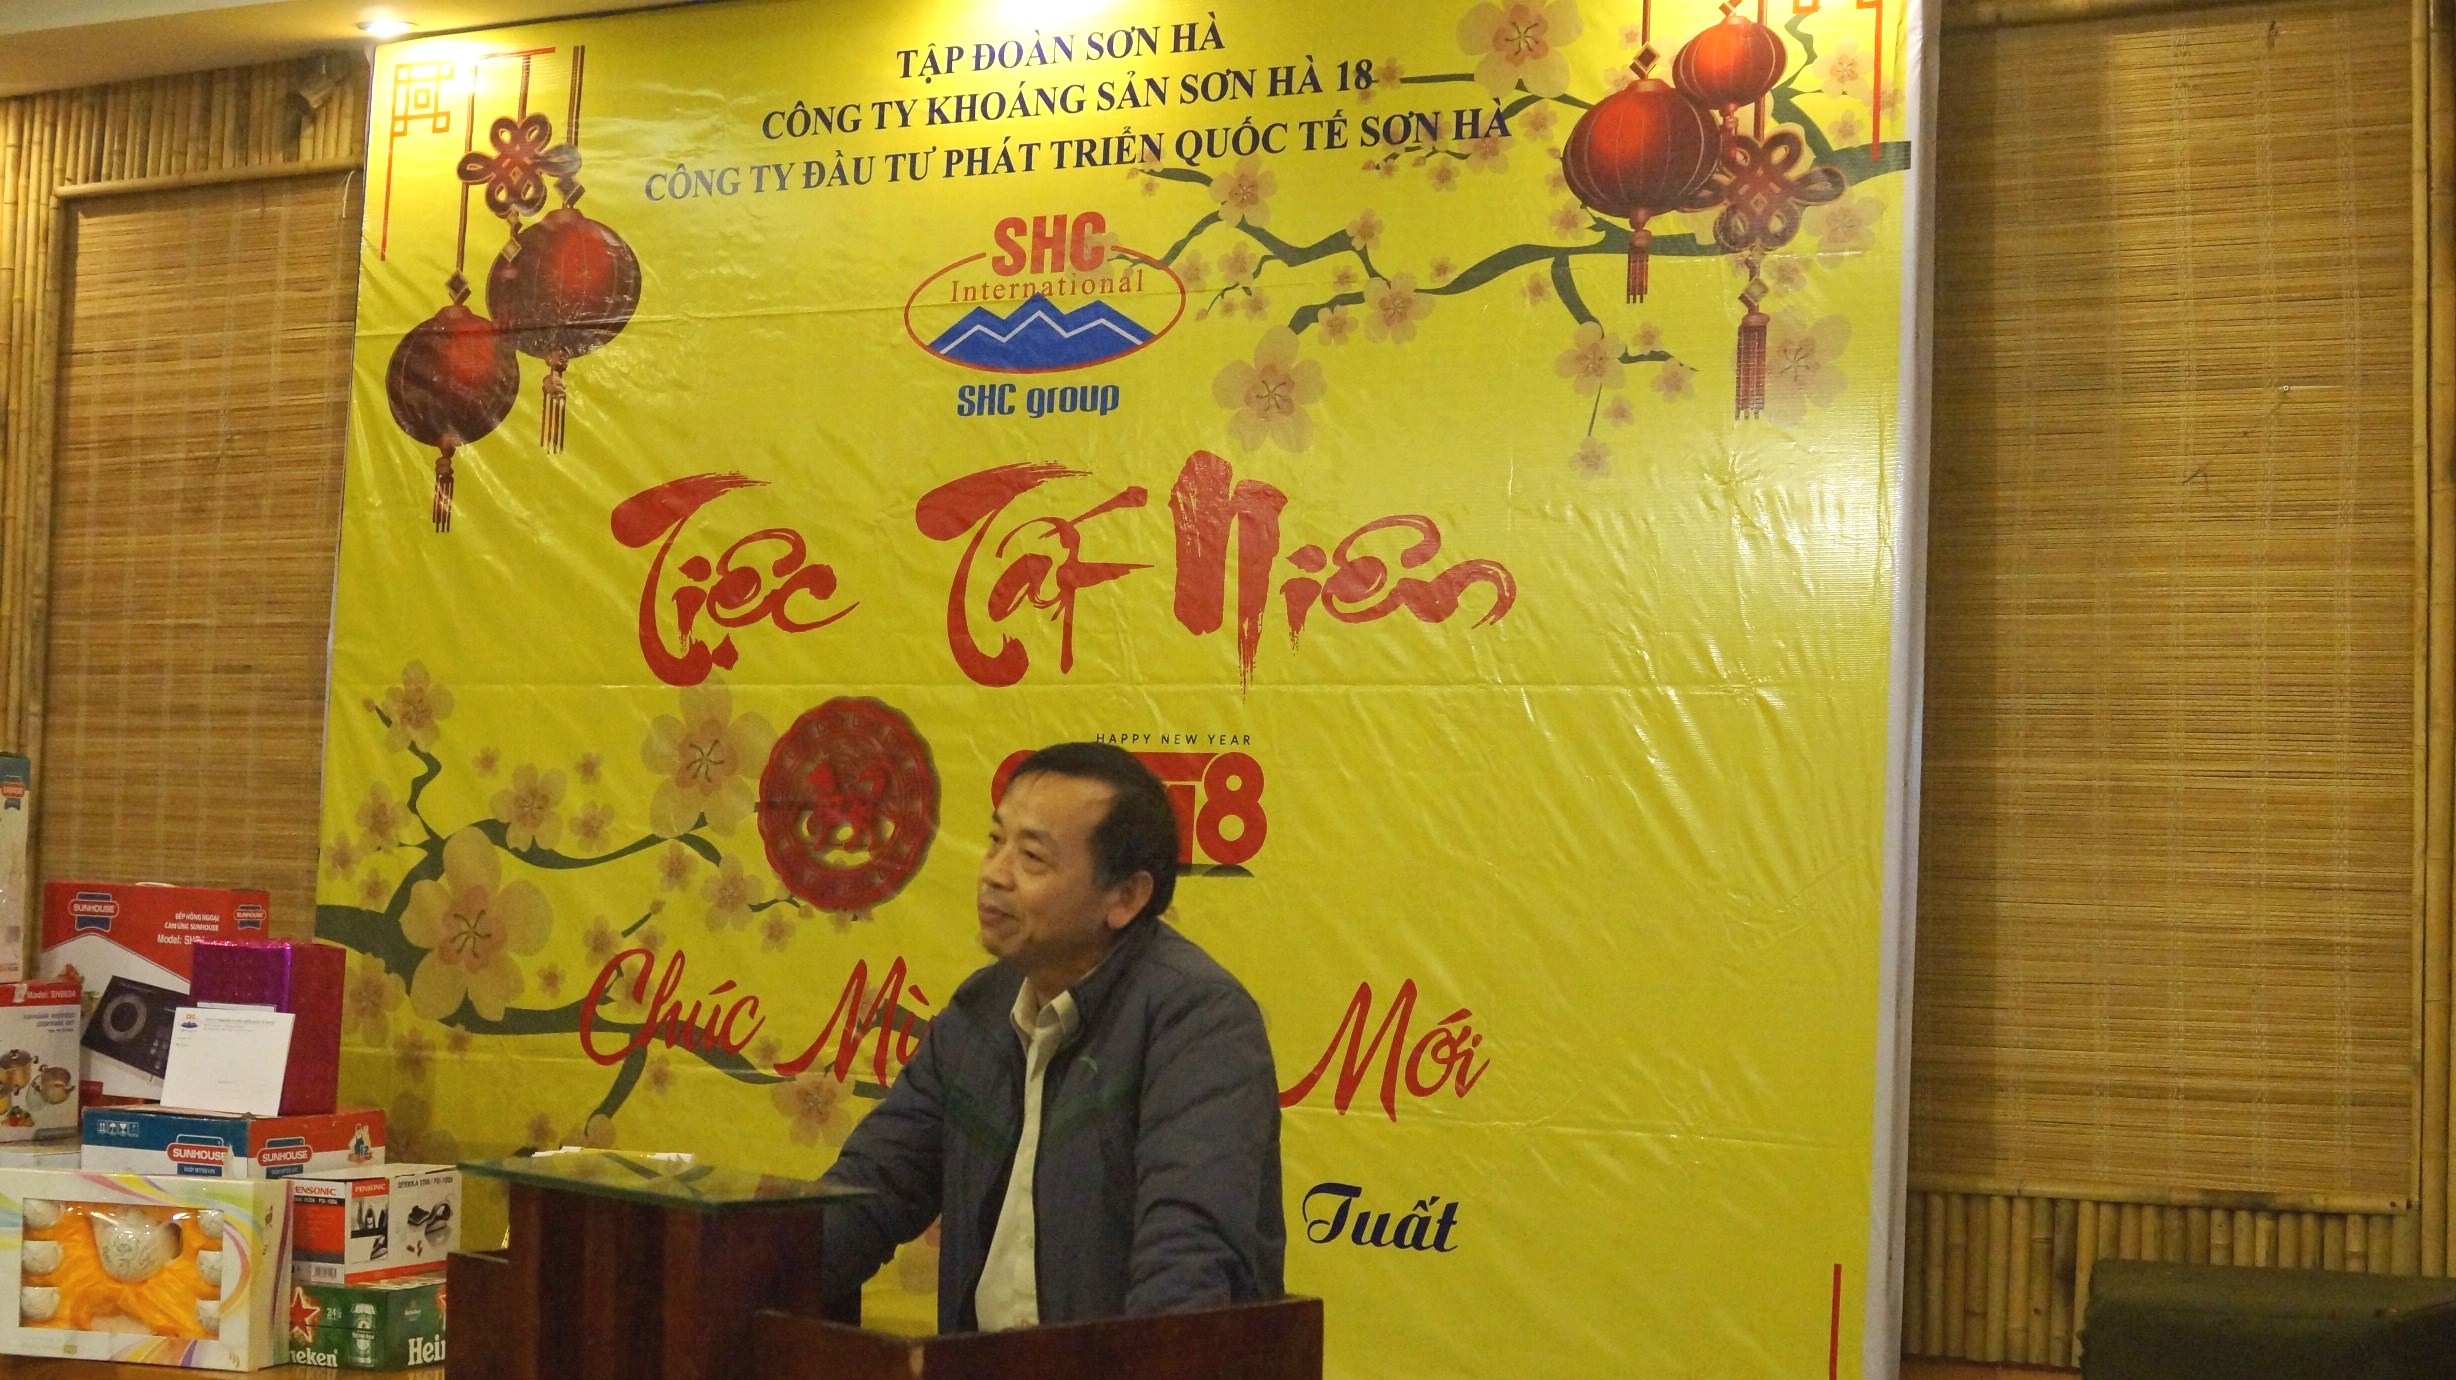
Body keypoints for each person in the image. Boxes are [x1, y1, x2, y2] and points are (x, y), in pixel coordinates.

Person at [818, 741, 1285, 1332]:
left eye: (1032, 857)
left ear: (1126, 897)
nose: (994, 874)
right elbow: (869, 1192)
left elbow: (1186, 1267)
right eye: (995, 841)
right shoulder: (978, 1015)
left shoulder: (1199, 1021)